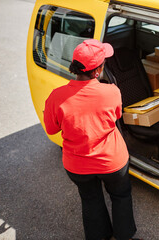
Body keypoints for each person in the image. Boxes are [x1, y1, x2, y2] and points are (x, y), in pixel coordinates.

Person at [43, 39, 138, 240]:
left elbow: (51, 129)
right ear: (97, 71)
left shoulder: (56, 96)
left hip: (77, 164)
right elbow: (117, 115)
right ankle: (124, 236)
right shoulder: (111, 91)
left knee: (90, 199)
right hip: (111, 162)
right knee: (121, 196)